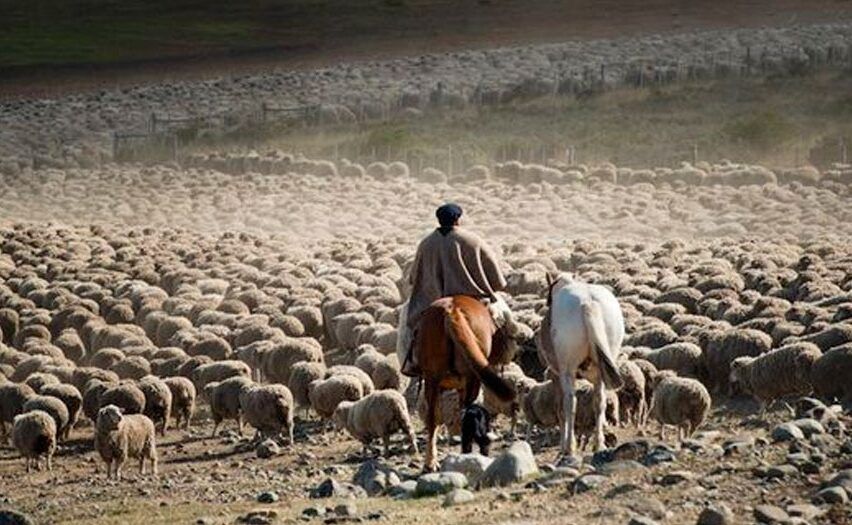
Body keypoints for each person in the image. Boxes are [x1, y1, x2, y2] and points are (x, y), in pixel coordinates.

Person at [399, 203, 521, 377]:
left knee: (408, 321)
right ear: (458, 219)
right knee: (506, 320)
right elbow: (496, 279)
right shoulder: (472, 240)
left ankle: (410, 361)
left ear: (439, 220)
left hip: (433, 300)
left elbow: (414, 278)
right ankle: (506, 356)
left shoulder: (426, 244)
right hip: (474, 299)